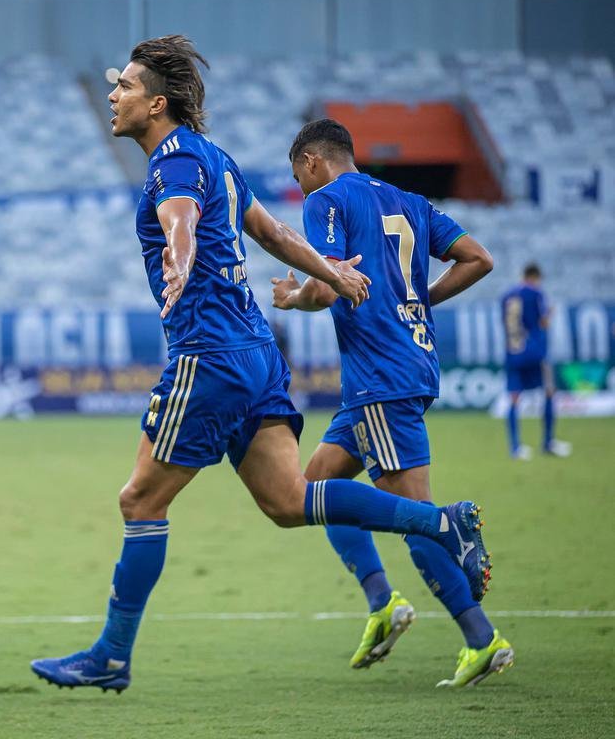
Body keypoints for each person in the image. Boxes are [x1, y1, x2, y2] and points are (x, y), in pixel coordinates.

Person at [30, 37, 492, 694]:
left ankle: (110, 653)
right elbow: (273, 234)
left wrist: (181, 254)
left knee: (139, 499)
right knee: (287, 500)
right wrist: (330, 269)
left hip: (209, 354)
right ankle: (439, 522)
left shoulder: (174, 162)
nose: (113, 95)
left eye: (126, 87)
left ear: (157, 103)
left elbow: (181, 217)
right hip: (257, 354)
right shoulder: (216, 159)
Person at [270, 118, 513, 688]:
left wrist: (294, 298)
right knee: (316, 489)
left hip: (382, 376)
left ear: (310, 163)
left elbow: (330, 283)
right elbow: (479, 258)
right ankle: (383, 602)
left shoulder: (327, 199)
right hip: (400, 370)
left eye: (298, 178)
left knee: (416, 519)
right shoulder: (409, 200)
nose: (303, 189)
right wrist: (418, 301)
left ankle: (483, 639)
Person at [502, 263, 572, 460]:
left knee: (514, 398)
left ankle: (515, 447)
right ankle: (548, 442)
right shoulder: (536, 293)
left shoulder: (507, 296)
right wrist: (549, 314)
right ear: (535, 277)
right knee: (549, 391)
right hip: (534, 352)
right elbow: (543, 322)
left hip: (512, 352)